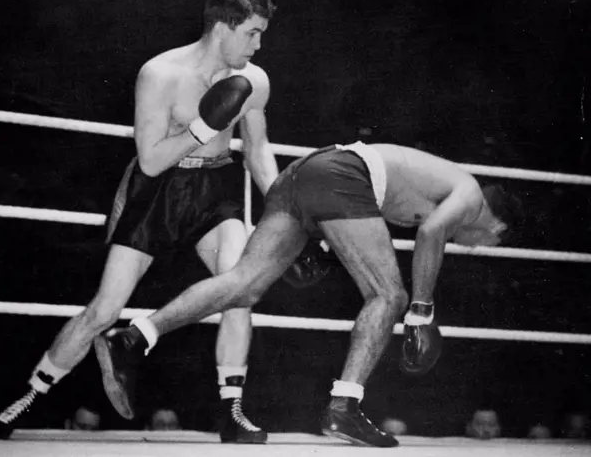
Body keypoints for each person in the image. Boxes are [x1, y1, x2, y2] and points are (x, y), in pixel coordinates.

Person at [0, 0, 278, 445]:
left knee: (238, 290)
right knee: (105, 308)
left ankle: (232, 411)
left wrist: (283, 208)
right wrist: (205, 126)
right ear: (223, 28)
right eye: (253, 33)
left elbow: (258, 151)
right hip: (157, 189)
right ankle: (29, 396)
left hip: (215, 187)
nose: (259, 45)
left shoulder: (254, 80)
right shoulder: (160, 74)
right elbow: (151, 161)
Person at [95, 141, 523, 447]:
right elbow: (431, 233)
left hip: (305, 173)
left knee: (244, 283)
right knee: (389, 296)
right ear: (498, 228)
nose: (477, 245)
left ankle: (133, 337)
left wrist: (319, 244)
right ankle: (344, 408)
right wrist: (421, 313)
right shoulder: (468, 196)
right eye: (490, 242)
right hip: (341, 175)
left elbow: (360, 212)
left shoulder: (438, 187)